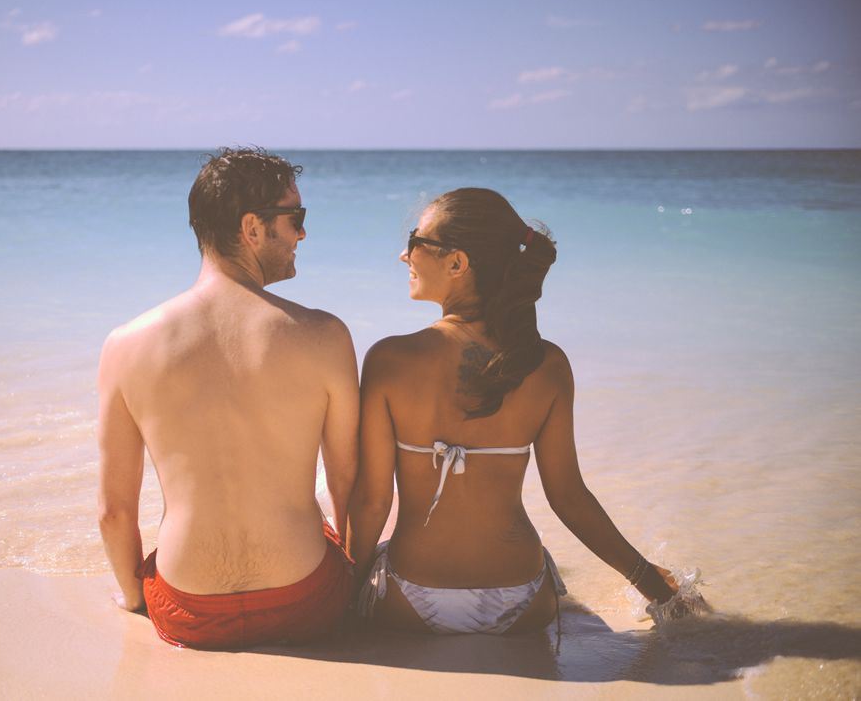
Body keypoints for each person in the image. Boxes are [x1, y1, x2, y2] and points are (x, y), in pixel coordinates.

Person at [347, 187, 679, 636]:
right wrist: (650, 581)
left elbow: (371, 502)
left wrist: (343, 596)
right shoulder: (546, 364)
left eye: (414, 241)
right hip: (521, 599)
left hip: (411, 596)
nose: (403, 256)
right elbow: (569, 498)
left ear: (457, 263)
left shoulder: (390, 359)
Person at [97, 147, 359, 649]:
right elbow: (347, 483)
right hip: (305, 601)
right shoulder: (324, 335)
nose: (302, 233)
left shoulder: (125, 345)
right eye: (295, 218)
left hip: (187, 609)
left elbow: (113, 510)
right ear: (252, 229)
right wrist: (350, 583)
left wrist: (134, 598)